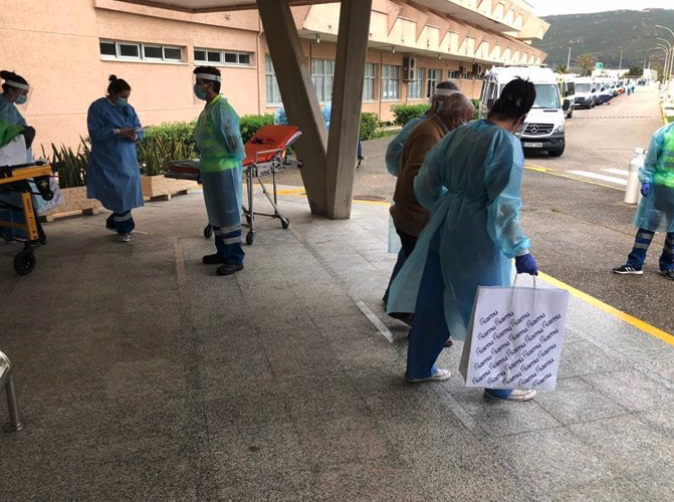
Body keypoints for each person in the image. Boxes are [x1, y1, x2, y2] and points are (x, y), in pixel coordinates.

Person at [387, 78, 539, 402]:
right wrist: (520, 249)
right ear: (521, 116)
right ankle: (499, 386)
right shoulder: (506, 145)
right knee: (489, 307)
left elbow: (425, 180)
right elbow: (503, 207)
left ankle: (418, 368)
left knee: (433, 300)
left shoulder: (459, 132)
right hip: (478, 239)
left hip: (444, 227)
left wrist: (445, 203)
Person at [385, 93, 474, 327]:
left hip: (414, 217)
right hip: (415, 218)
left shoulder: (434, 130)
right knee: (422, 276)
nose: (466, 126)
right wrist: (442, 200)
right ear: (456, 118)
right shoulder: (430, 134)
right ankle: (419, 323)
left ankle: (402, 309)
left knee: (413, 269)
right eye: (466, 119)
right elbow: (417, 179)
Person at [193, 66, 246, 276]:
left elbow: (233, 140)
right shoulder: (208, 109)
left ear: (210, 85)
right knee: (215, 214)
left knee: (228, 213)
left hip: (225, 169)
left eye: (199, 83)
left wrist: (236, 161)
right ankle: (222, 252)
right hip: (210, 169)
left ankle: (235, 258)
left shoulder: (221, 109)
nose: (196, 87)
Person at [613, 121, 674, 280]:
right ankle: (635, 263)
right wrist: (646, 180)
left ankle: (669, 265)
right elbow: (650, 161)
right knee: (647, 226)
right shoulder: (664, 134)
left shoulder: (664, 133)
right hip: (660, 188)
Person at [86, 75, 144, 243]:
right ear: (111, 92)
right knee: (118, 194)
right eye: (122, 97)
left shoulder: (129, 109)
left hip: (127, 159)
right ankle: (125, 228)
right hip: (108, 159)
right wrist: (118, 131)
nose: (125, 101)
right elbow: (95, 133)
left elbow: (140, 129)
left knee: (125, 194)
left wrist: (134, 135)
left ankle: (115, 221)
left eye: (127, 97)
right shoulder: (97, 108)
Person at [384, 81, 461, 177]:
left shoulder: (444, 127)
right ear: (436, 101)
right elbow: (392, 158)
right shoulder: (421, 127)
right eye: (446, 102)